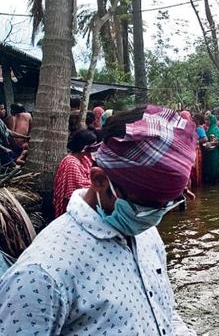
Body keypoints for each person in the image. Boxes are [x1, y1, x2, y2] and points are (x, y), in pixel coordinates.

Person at [0, 105, 197, 335]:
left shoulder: (146, 234)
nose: (156, 216)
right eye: (147, 205)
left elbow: (165, 312)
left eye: (168, 203)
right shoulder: (40, 275)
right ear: (99, 180)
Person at [52, 129, 97, 217]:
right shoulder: (71, 162)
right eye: (92, 147)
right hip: (71, 203)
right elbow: (79, 185)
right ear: (84, 147)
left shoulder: (85, 159)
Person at [203, 114, 219, 185]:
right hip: (209, 153)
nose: (206, 121)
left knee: (214, 168)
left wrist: (209, 144)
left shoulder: (215, 129)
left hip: (214, 153)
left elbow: (218, 141)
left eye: (208, 120)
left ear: (212, 120)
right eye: (205, 120)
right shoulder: (209, 128)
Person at [190, 114, 208, 189]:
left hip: (197, 151)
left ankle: (197, 185)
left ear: (198, 120)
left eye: (194, 119)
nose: (192, 120)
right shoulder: (195, 128)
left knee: (197, 168)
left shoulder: (199, 129)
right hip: (194, 151)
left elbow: (205, 139)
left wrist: (196, 141)